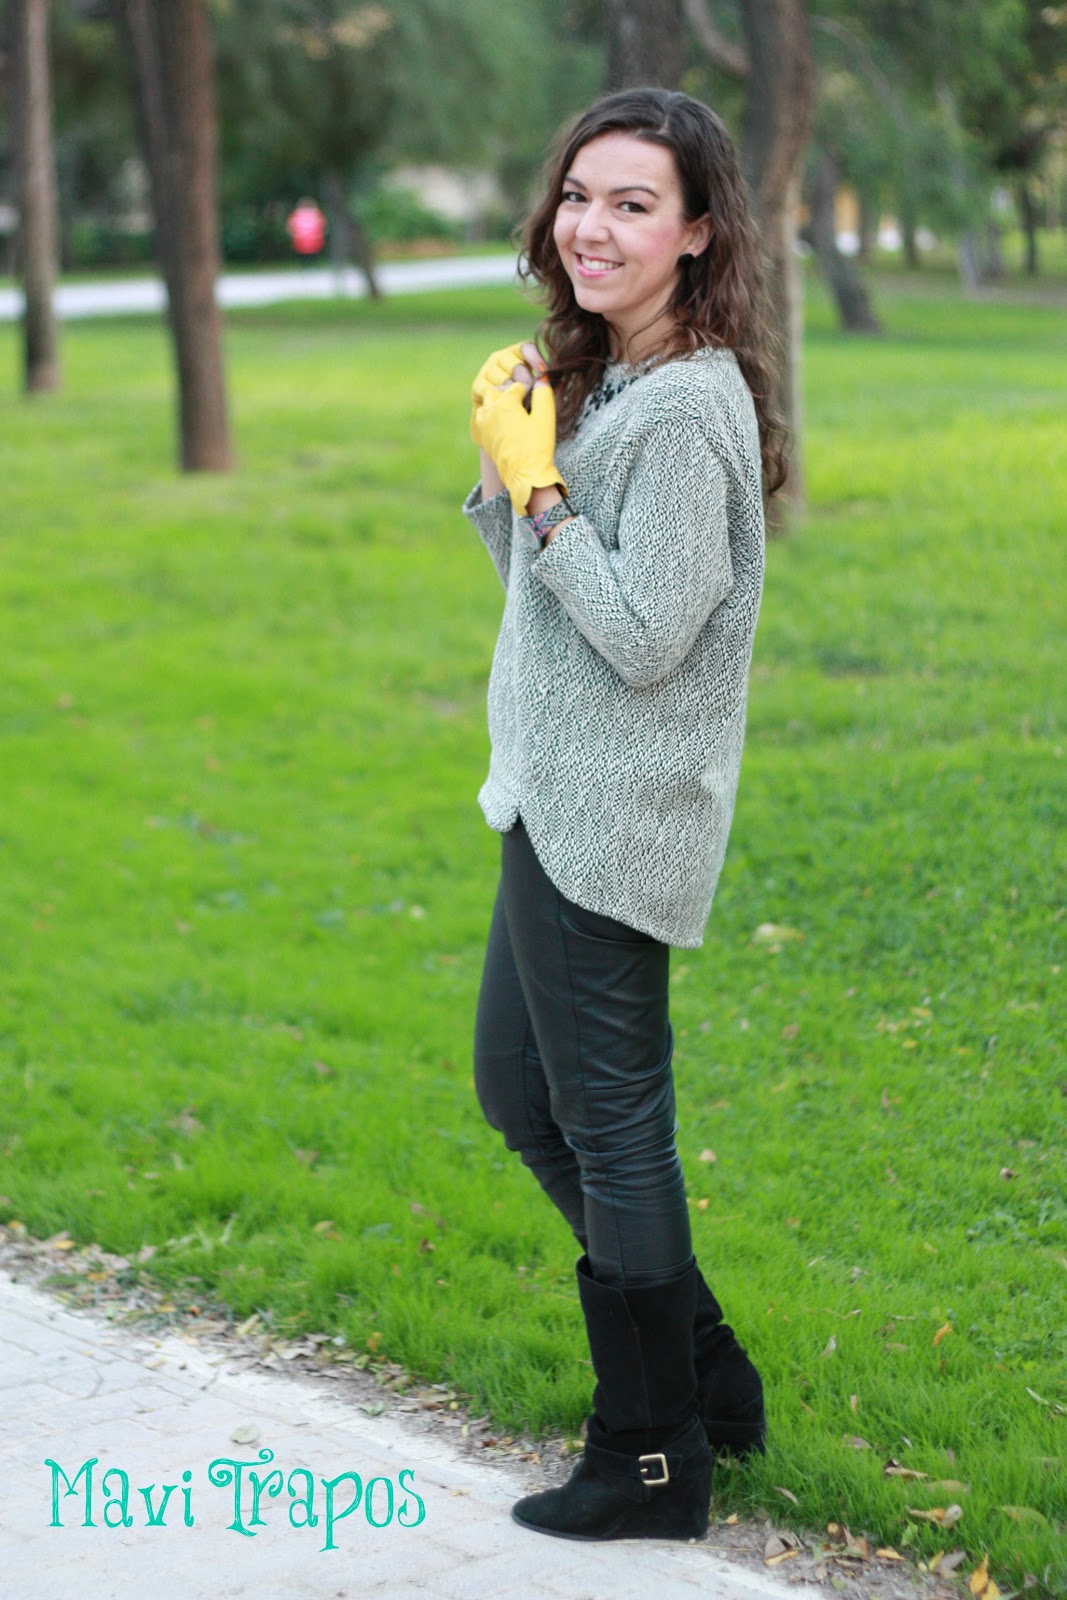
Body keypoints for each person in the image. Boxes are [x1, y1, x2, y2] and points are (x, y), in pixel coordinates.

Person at [462, 86, 787, 1544]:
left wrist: (541, 492)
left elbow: (645, 636)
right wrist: (510, 470)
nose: (590, 227)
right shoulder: (614, 382)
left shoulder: (689, 409)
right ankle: (704, 1375)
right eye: (579, 196)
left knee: (608, 1129)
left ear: (697, 233)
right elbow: (549, 610)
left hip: (615, 819)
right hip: (549, 797)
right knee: (521, 1095)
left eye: (633, 205)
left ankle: (650, 1456)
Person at [286, 197, 327, 265]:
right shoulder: (316, 213)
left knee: (307, 253)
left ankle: (306, 263)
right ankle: (308, 263)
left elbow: (291, 225)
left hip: (306, 239)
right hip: (308, 239)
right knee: (307, 253)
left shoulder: (297, 214)